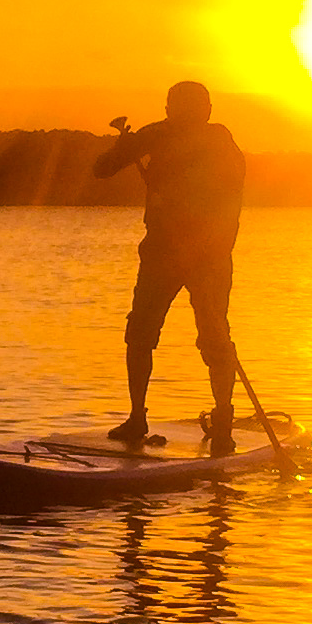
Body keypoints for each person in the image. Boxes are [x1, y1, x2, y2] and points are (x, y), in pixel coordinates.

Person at [92, 80, 248, 454]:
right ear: (169, 110)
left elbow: (230, 199)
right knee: (140, 332)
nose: (195, 113)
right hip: (160, 252)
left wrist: (207, 246)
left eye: (199, 106)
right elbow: (102, 169)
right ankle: (136, 418)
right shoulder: (155, 134)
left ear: (207, 110)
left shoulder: (219, 142)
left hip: (207, 256)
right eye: (183, 106)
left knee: (213, 336)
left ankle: (223, 419)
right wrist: (124, 147)